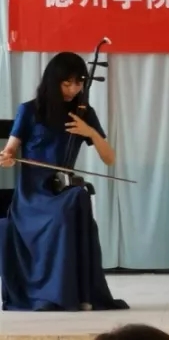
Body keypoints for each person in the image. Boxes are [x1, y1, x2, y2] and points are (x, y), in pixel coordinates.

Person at [0, 52, 128, 311]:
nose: (73, 89)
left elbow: (110, 158)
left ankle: (81, 293)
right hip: (32, 193)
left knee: (77, 196)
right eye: (67, 83)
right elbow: (10, 149)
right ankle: (54, 295)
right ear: (53, 81)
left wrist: (90, 132)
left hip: (62, 186)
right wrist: (7, 157)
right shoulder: (29, 110)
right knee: (67, 208)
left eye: (78, 83)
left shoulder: (83, 113)